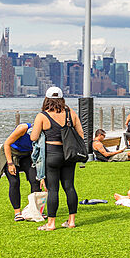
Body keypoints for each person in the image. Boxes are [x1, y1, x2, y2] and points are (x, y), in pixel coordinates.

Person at [30, 87, 83, 231]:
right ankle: (71, 221)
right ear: (62, 99)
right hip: (69, 154)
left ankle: (51, 224)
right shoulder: (70, 113)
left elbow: (33, 137)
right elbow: (81, 135)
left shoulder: (42, 116)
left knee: (53, 189)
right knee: (70, 187)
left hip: (52, 154)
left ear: (46, 99)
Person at [0, 121, 41, 221]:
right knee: (14, 181)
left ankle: (35, 210)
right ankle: (17, 213)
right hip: (10, 153)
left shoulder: (44, 132)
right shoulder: (23, 128)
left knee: (35, 180)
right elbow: (7, 144)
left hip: (26, 154)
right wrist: (10, 163)